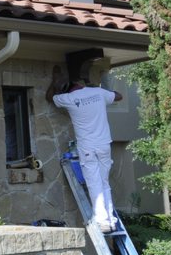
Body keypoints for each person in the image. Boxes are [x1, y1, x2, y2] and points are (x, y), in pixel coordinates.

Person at [46, 66, 123, 233]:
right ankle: (110, 219)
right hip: (104, 145)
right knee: (104, 182)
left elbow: (49, 97)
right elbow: (119, 96)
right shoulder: (98, 93)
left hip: (88, 147)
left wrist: (54, 81)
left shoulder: (69, 99)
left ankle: (102, 222)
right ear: (81, 84)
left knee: (94, 182)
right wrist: (97, 89)